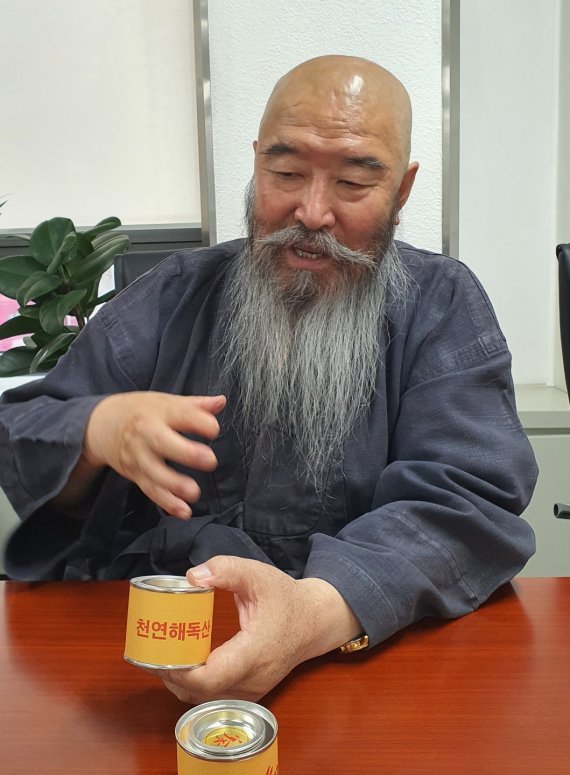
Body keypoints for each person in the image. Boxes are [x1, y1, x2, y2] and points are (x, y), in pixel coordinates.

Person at [0, 55, 537, 704]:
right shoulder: (176, 294)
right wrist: (97, 428)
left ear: (402, 190)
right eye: (286, 172)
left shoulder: (441, 304)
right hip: (157, 655)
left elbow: (466, 498)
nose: (312, 212)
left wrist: (314, 611)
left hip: (362, 659)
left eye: (352, 183)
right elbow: (24, 429)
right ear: (256, 165)